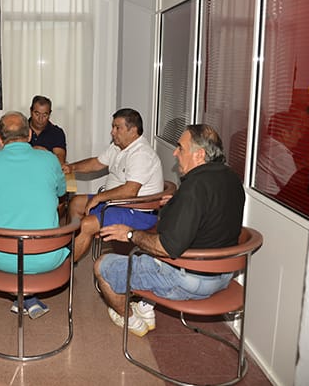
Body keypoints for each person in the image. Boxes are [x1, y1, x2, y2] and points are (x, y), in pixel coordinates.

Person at [94, 124, 245, 336]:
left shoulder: (194, 187)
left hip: (189, 281)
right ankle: (146, 307)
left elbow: (167, 247)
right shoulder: (232, 179)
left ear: (199, 154)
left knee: (103, 265)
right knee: (146, 250)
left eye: (181, 148)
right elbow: (210, 211)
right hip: (223, 275)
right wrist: (177, 202)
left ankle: (130, 319)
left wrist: (129, 234)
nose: (175, 153)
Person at [0, 111, 67, 319]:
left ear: (0, 139)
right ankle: (28, 298)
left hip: (2, 258)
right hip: (46, 257)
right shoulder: (49, 159)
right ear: (29, 136)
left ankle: (24, 297)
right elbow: (61, 191)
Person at [62, 108, 163, 261]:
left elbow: (130, 191)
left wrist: (99, 197)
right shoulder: (118, 147)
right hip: (116, 204)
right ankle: (75, 245)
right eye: (113, 127)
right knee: (76, 203)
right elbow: (96, 163)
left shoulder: (141, 154)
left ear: (133, 130)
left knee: (87, 224)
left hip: (138, 211)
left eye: (117, 128)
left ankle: (66, 265)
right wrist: (72, 167)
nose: (112, 132)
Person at [28, 95, 67, 165]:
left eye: (44, 115)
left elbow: (60, 161)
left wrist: (46, 153)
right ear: (31, 111)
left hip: (48, 170)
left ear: (49, 114)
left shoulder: (57, 132)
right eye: (37, 114)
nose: (40, 119)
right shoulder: (20, 130)